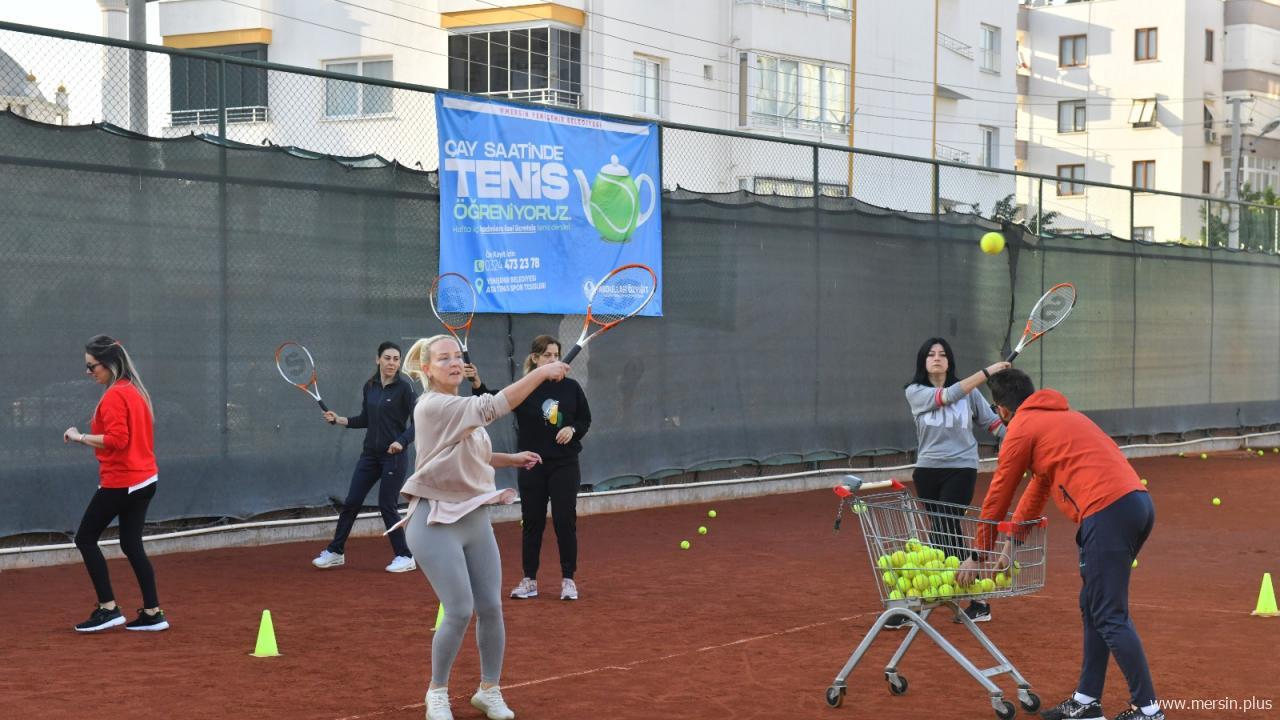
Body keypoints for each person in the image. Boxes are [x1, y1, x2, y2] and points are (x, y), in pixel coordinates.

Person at [956, 368, 1163, 720]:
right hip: (1136, 506)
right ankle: (1086, 701)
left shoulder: (1022, 428)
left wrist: (978, 554)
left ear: (1002, 410)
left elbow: (998, 494)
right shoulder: (1062, 418)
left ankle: (1149, 710)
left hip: (1107, 511)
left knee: (1109, 614)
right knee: (1093, 605)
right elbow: (1038, 488)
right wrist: (1010, 546)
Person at [396, 334, 569, 720]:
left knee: (491, 607)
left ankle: (489, 690)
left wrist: (510, 458)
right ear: (426, 369)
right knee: (458, 610)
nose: (454, 363)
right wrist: (542, 373)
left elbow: (471, 451)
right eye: (444, 359)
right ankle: (436, 693)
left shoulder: (458, 407)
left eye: (457, 356)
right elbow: (495, 405)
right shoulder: (432, 406)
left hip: (474, 517)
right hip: (434, 521)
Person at [468, 335, 591, 602]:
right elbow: (491, 403)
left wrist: (572, 429)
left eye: (556, 355)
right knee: (532, 523)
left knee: (564, 521)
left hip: (564, 465)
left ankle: (568, 580)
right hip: (532, 464)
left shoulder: (572, 388)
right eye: (547, 355)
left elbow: (585, 419)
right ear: (535, 359)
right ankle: (529, 580)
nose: (553, 360)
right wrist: (477, 384)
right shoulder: (524, 389)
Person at [897, 337, 1009, 628]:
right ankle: (968, 598)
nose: (937, 358)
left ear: (950, 361)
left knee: (946, 523)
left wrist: (1016, 442)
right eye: (931, 354)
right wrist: (987, 373)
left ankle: (950, 599)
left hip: (961, 468)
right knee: (942, 529)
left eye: (943, 354)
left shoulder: (971, 394)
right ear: (923, 362)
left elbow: (993, 424)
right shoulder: (915, 392)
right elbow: (945, 397)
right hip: (927, 470)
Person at [62, 335, 168, 633]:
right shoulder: (134, 391)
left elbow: (118, 441)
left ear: (108, 363)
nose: (88, 372)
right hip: (145, 479)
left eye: (92, 366)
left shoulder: (114, 396)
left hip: (123, 481)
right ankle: (153, 612)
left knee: (85, 538)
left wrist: (79, 436)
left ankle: (108, 609)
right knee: (131, 543)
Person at [312, 341, 418, 573]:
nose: (392, 363)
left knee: (386, 505)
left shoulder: (405, 388)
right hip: (370, 455)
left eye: (396, 359)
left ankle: (405, 555)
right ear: (377, 359)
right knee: (351, 503)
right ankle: (336, 551)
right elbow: (366, 419)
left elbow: (419, 422)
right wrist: (340, 419)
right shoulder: (370, 386)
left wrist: (401, 441)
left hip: (394, 457)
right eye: (388, 358)